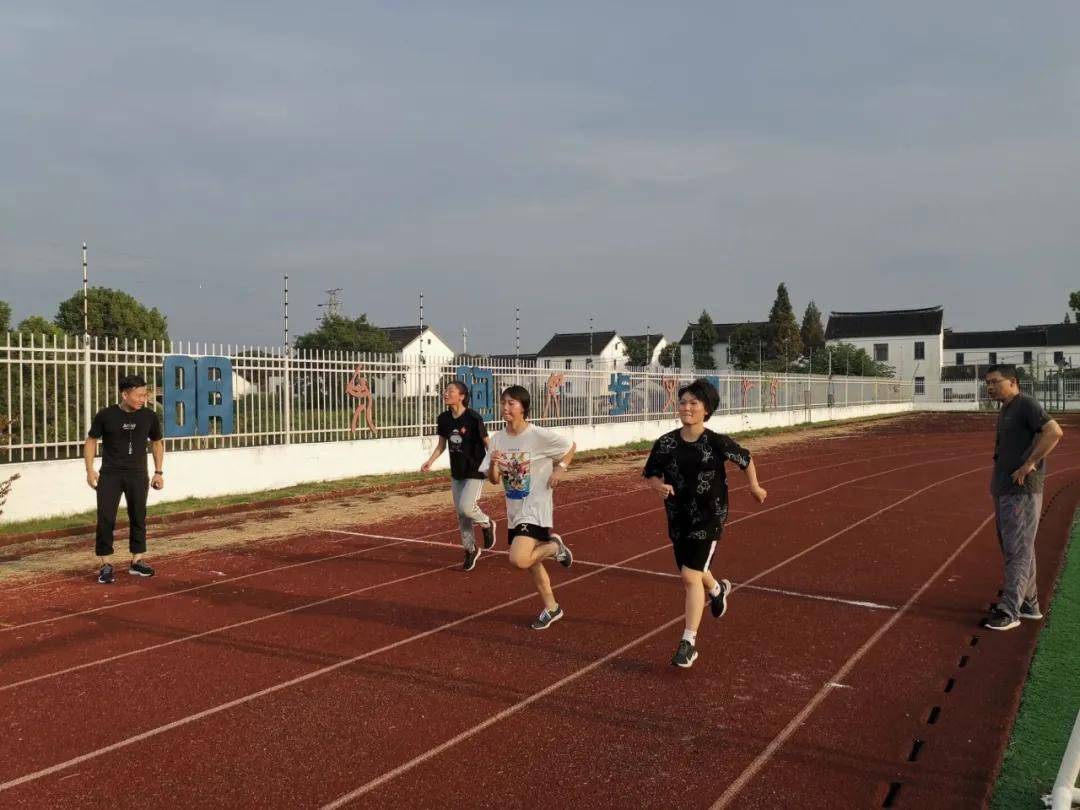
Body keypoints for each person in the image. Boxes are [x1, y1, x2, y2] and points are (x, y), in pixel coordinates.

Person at [643, 378, 767, 668]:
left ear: (707, 410)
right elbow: (651, 473)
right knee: (696, 572)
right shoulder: (666, 443)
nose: (686, 407)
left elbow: (746, 459)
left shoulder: (716, 442)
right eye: (683, 402)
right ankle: (717, 590)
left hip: (710, 516)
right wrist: (657, 486)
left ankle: (688, 643)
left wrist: (755, 487)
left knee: (689, 576)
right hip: (678, 516)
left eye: (693, 403)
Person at [482, 385, 576, 630]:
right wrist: (493, 465)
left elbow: (570, 447)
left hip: (535, 508)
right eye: (503, 402)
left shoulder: (537, 435)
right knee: (533, 565)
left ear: (523, 408)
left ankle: (555, 547)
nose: (505, 407)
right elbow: (493, 479)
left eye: (511, 403)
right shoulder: (497, 439)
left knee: (519, 559)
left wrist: (559, 469)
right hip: (514, 509)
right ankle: (552, 608)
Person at [981, 365, 1063, 631]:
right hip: (1005, 487)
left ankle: (1010, 610)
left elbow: (1054, 431)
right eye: (987, 383)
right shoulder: (1006, 409)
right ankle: (1029, 604)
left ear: (1013, 382)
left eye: (995, 382)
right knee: (1018, 548)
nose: (990, 387)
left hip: (1021, 490)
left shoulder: (1025, 404)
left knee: (1018, 550)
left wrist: (1030, 463)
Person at [84, 374, 165, 584]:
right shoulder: (106, 415)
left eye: (145, 395)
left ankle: (137, 561)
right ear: (125, 394)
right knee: (106, 518)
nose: (142, 399)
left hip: (138, 474)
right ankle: (106, 564)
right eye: (138, 395)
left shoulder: (149, 416)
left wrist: (159, 471)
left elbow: (157, 442)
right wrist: (90, 470)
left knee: (138, 516)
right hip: (110, 474)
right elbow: (91, 441)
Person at [421, 381, 496, 571]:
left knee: (466, 507)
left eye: (450, 391)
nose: (445, 394)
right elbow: (441, 446)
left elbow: (488, 444)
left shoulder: (473, 418)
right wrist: (430, 461)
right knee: (461, 514)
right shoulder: (444, 418)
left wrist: (494, 464)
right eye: (445, 391)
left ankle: (487, 523)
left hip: (475, 470)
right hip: (457, 472)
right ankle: (470, 549)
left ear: (461, 396)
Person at [346, 365, 378, 435]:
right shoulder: (361, 387)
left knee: (368, 419)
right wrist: (350, 388)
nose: (359, 383)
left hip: (368, 404)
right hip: (363, 404)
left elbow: (358, 394)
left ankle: (375, 431)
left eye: (361, 382)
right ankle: (353, 429)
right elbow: (355, 389)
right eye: (360, 382)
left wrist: (350, 390)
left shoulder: (365, 389)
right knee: (356, 414)